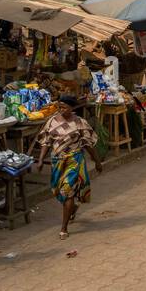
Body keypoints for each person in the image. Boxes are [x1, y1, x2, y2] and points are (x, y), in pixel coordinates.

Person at [42, 96, 103, 239]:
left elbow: (88, 144)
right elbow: (46, 141)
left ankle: (63, 228)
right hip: (57, 161)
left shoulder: (80, 123)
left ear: (72, 108)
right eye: (60, 107)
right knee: (60, 192)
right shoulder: (52, 121)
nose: (61, 110)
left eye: (64, 107)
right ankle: (73, 208)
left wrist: (97, 161)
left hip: (74, 161)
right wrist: (40, 160)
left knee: (67, 190)